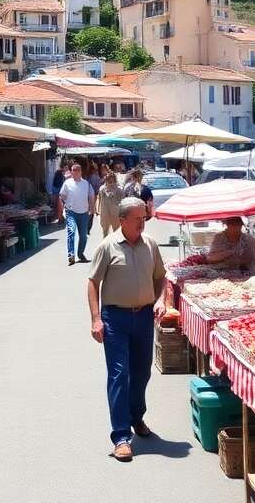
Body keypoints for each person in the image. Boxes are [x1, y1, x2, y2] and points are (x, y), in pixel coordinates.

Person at [86, 197, 166, 462]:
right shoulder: (107, 247)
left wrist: (160, 301)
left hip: (142, 317)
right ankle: (121, 437)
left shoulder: (150, 245)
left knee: (142, 372)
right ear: (122, 220)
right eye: (137, 219)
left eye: (144, 218)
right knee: (119, 374)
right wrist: (96, 319)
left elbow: (160, 277)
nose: (142, 223)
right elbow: (93, 283)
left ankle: (136, 417)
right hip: (115, 319)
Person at [61, 163, 96, 266]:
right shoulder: (67, 183)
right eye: (73, 170)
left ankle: (80, 254)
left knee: (83, 236)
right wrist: (65, 205)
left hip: (84, 213)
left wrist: (92, 209)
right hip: (70, 212)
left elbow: (91, 196)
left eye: (77, 170)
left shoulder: (86, 184)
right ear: (71, 172)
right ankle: (71, 256)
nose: (74, 172)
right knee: (71, 232)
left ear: (80, 172)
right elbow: (62, 195)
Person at [98, 168, 125, 236]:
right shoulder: (102, 189)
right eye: (109, 181)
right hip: (105, 213)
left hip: (116, 213)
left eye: (113, 181)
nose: (111, 183)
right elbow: (100, 198)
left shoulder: (119, 189)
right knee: (105, 232)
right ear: (106, 181)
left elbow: (123, 201)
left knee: (117, 232)